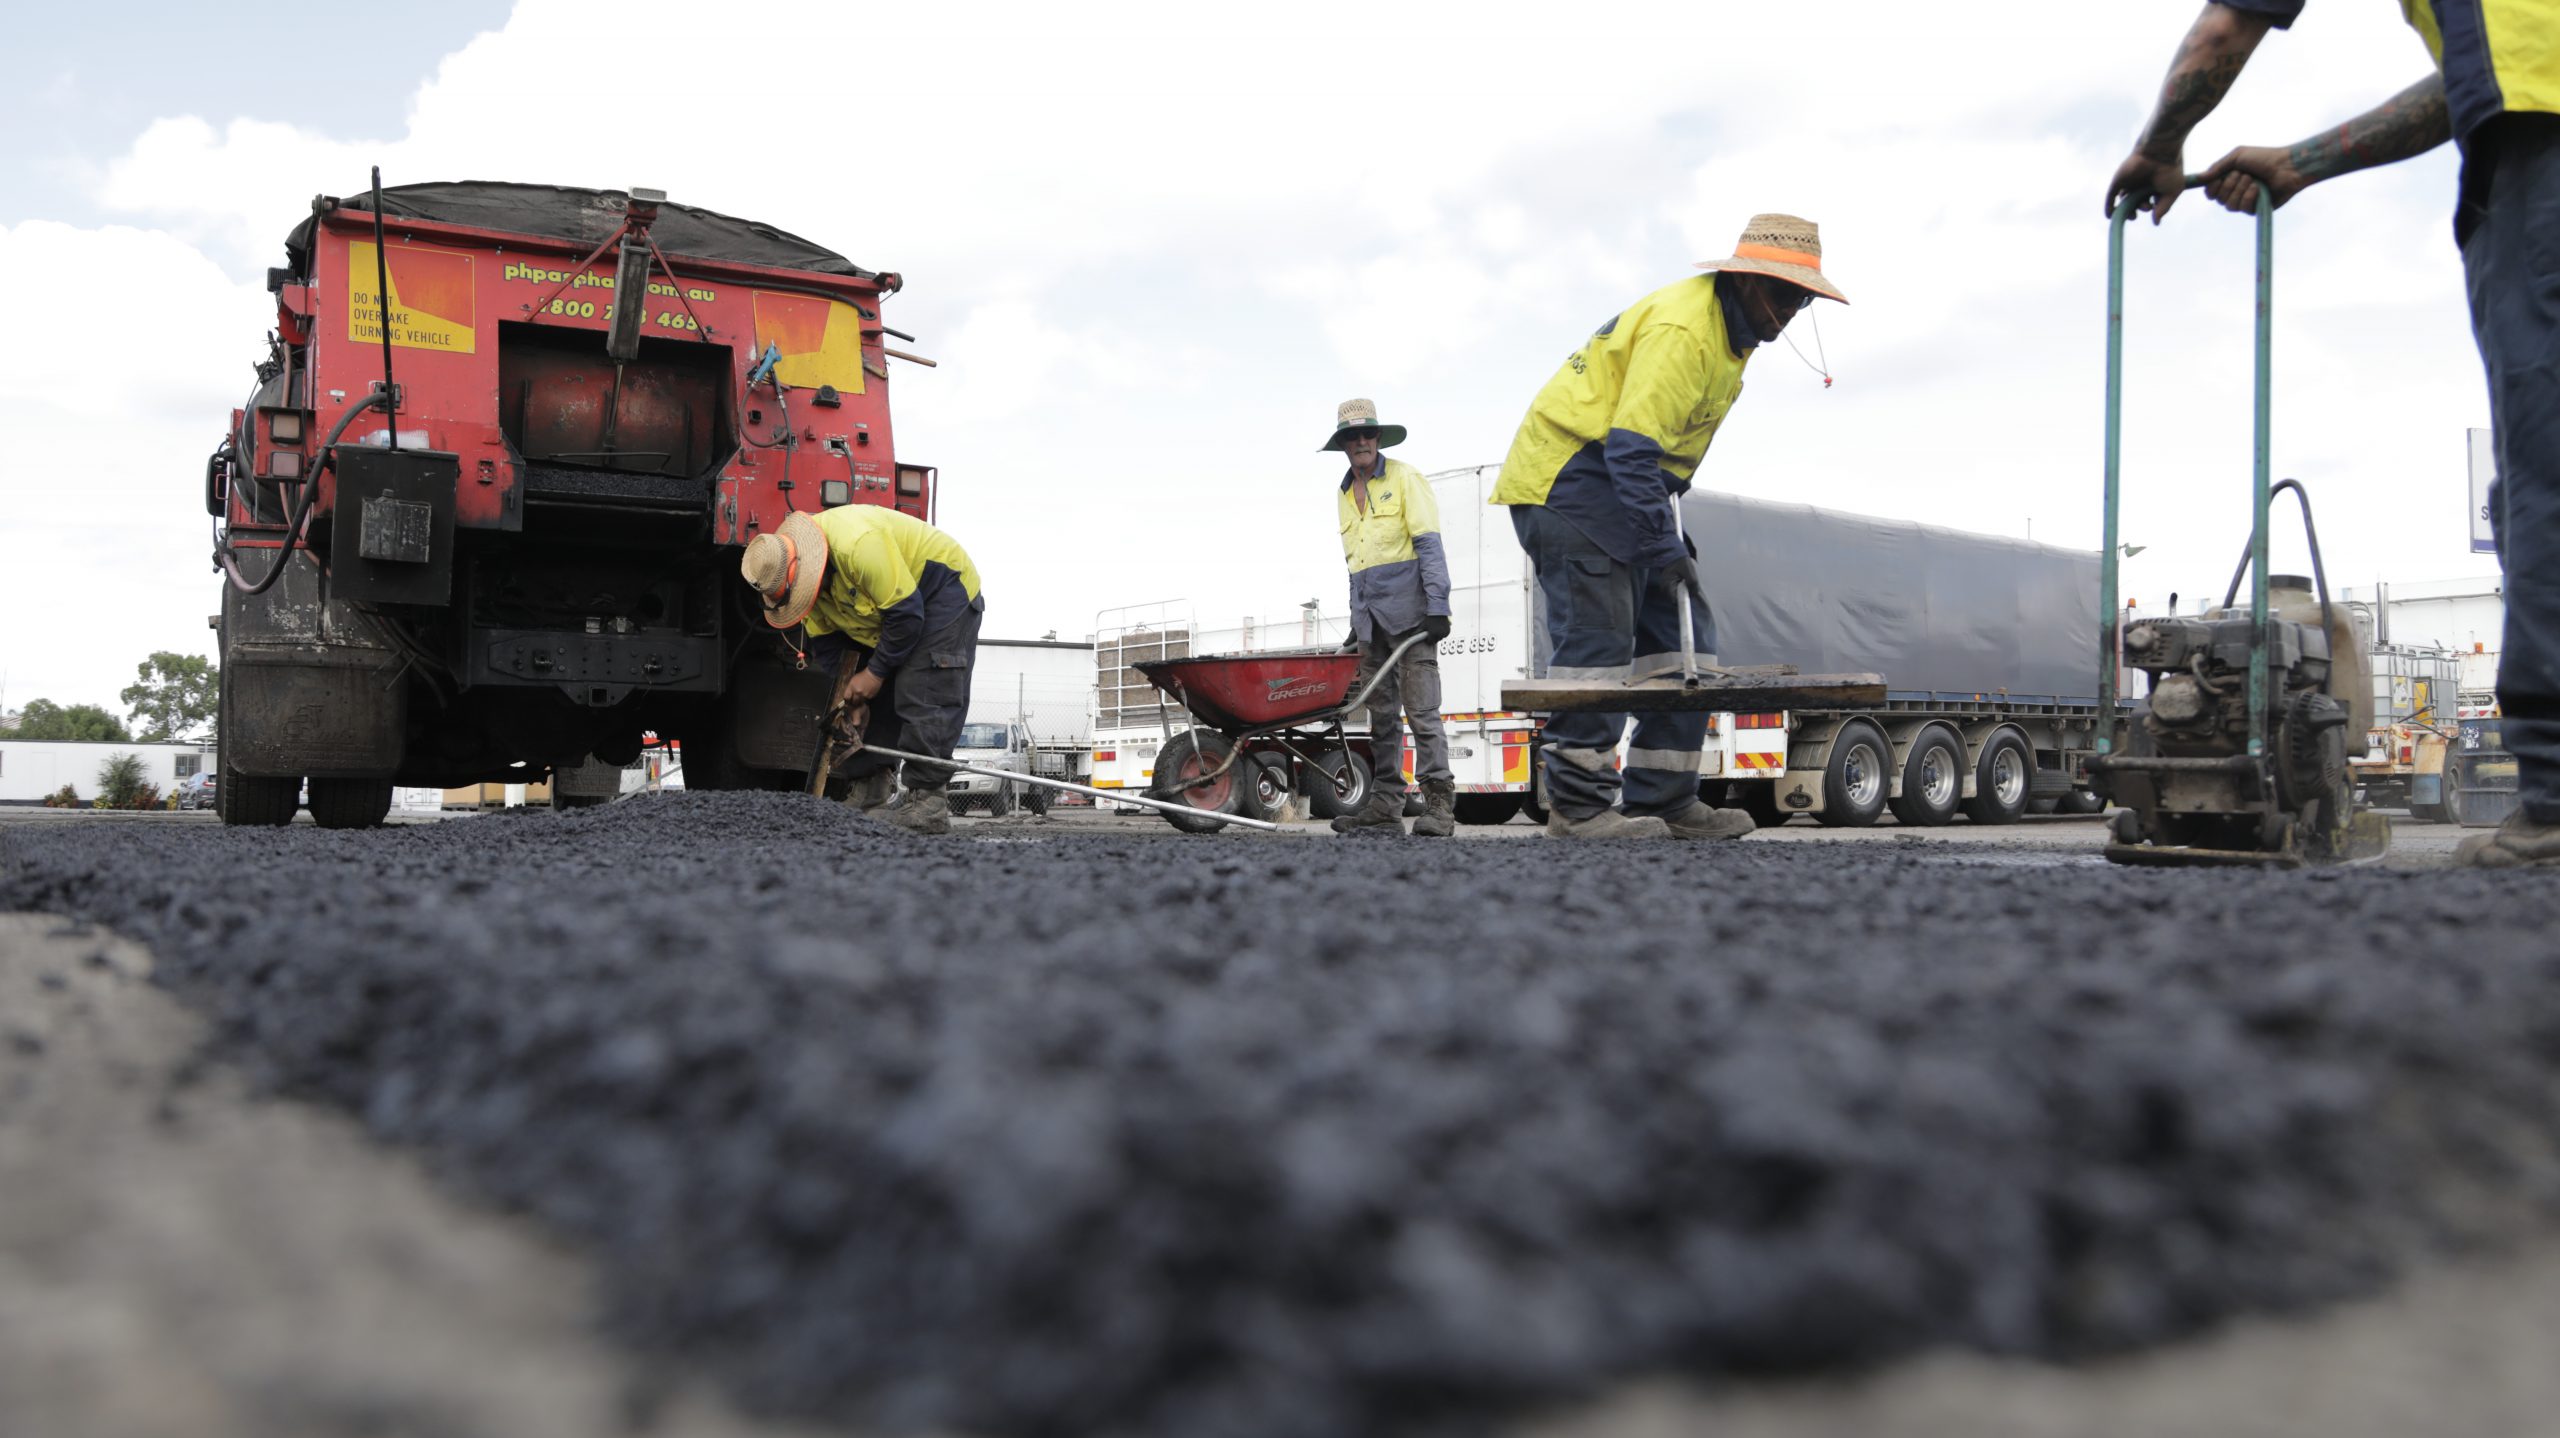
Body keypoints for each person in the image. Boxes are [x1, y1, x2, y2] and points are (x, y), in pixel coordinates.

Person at [2105, 1, 2560, 868]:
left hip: (2541, 165)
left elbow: (2228, 26)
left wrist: (2162, 145)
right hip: (2527, 133)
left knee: (2547, 472)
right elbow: (2470, 87)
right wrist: (2299, 163)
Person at [1492, 214, 1847, 840]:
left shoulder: (1730, 335)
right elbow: (1631, 448)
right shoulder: (1685, 331)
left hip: (1622, 487)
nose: (1792, 311)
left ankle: (1662, 798)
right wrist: (1662, 543)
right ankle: (1577, 809)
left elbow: (1657, 454)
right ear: (1745, 280)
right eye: (1784, 293)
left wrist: (1663, 535)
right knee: (1598, 642)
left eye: (1803, 299)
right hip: (1572, 481)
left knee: (1686, 641)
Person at [739, 506, 984, 835]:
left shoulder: (859, 545)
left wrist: (875, 673)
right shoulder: (805, 591)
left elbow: (906, 616)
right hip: (893, 610)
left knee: (924, 686)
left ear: (810, 570)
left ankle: (928, 803)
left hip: (942, 587)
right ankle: (870, 789)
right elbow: (830, 648)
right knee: (861, 697)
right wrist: (854, 698)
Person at [1323, 397, 1455, 837]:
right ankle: (1384, 807)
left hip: (1411, 619)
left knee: (1422, 712)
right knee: (1381, 718)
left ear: (1378, 437)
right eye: (1352, 436)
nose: (1360, 441)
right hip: (1371, 623)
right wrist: (1355, 619)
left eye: (1367, 434)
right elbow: (1355, 563)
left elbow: (1429, 545)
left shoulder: (1404, 478)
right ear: (1343, 443)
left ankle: (1439, 807)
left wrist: (1438, 607)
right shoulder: (1344, 493)